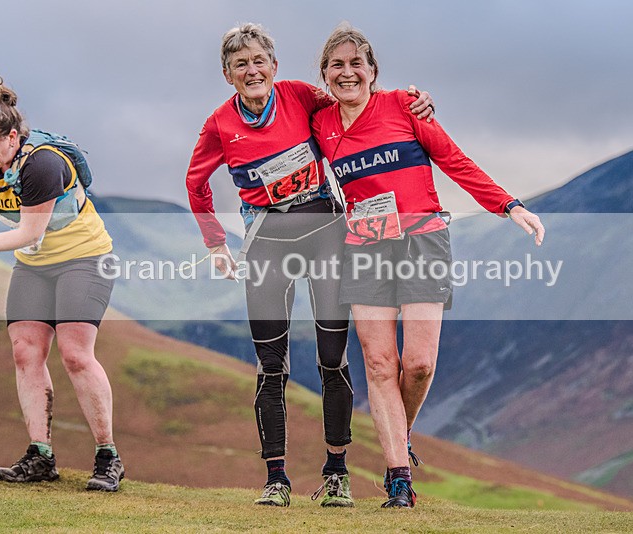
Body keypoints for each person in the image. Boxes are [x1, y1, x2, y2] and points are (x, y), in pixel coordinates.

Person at [185, 23, 434, 507]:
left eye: (260, 61)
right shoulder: (218, 124)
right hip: (265, 240)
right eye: (241, 65)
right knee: (270, 363)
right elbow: (195, 183)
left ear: (274, 67)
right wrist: (216, 244)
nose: (252, 70)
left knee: (331, 357)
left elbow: (356, 103)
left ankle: (336, 473)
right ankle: (276, 479)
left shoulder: (301, 95)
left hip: (324, 231)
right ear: (227, 75)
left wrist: (414, 102)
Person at [311, 24, 545, 509]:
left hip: (423, 241)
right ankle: (399, 478)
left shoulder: (403, 105)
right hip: (365, 246)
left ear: (373, 72)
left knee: (417, 365)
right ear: (325, 76)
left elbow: (453, 160)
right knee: (379, 363)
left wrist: (508, 205)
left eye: (357, 63)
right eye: (338, 65)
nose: (348, 72)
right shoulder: (320, 123)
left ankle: (402, 435)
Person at [0, 79, 125, 492]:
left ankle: (108, 456)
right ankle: (40, 455)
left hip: (85, 259)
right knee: (25, 352)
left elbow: (28, 234)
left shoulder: (42, 164)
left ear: (12, 137)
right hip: (35, 267)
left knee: (75, 354)